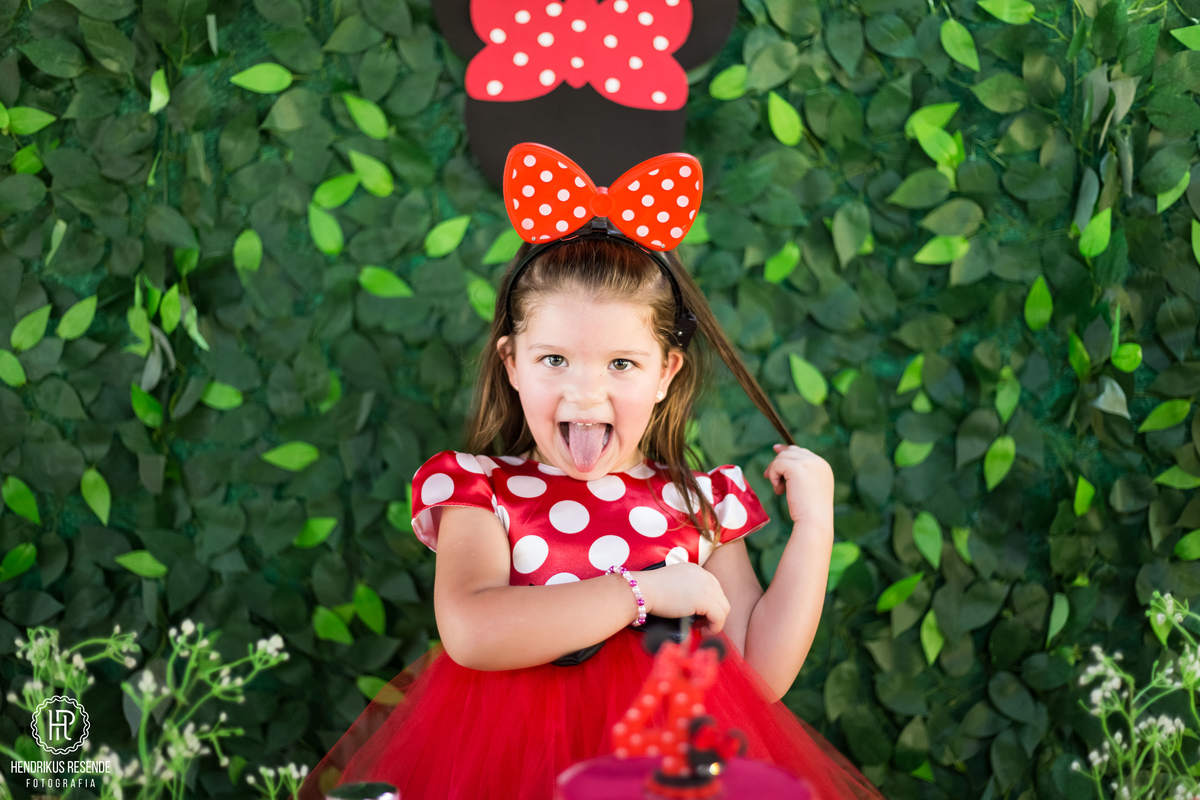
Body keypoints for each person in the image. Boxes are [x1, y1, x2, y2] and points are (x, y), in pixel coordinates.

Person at [297, 143, 885, 800]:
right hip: (514, 767)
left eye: (621, 365)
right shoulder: (481, 491)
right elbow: (472, 631)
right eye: (554, 360)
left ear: (667, 373)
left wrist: (816, 526)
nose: (584, 392)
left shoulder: (697, 504)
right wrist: (644, 592)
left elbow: (757, 675)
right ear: (511, 362)